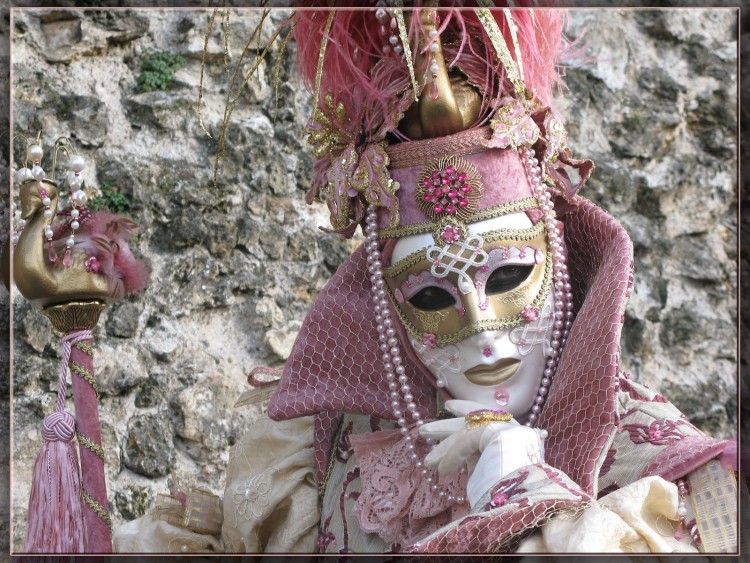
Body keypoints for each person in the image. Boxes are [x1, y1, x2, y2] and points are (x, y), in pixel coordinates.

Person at [113, 4, 737, 554]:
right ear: (385, 302)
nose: (482, 323)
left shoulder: (658, 472)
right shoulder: (328, 466)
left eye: (509, 276)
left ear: (564, 263)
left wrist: (519, 486)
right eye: (433, 294)